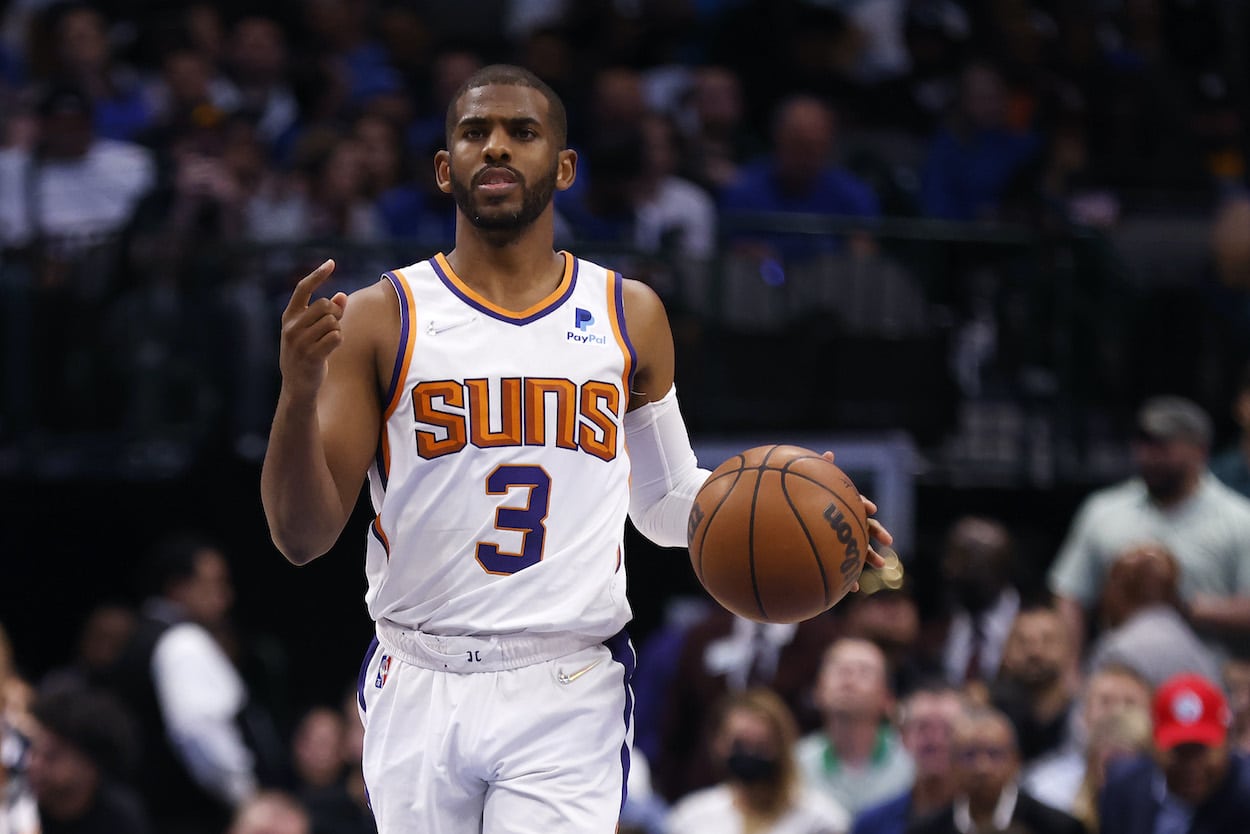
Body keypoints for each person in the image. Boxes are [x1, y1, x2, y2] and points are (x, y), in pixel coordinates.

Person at [259, 63, 891, 834]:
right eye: (474, 133)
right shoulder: (381, 316)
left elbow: (661, 503)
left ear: (562, 167)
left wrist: (819, 519)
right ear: (442, 167)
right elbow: (300, 537)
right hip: (418, 674)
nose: (496, 148)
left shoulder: (628, 313)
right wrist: (294, 394)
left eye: (521, 133)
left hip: (567, 678)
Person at [1047, 396, 1250, 656]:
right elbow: (1070, 595)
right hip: (1116, 672)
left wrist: (1187, 608)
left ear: (1200, 451)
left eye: (1163, 447)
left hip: (1205, 678)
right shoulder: (1103, 510)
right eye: (1143, 444)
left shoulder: (1239, 519)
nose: (1149, 456)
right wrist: (1069, 670)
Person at [101, 532, 259, 834]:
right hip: (192, 819)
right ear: (177, 589)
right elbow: (199, 732)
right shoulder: (182, 642)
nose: (225, 597)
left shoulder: (140, 637)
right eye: (215, 584)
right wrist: (248, 796)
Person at [664, 688, 850, 834]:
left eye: (761, 745)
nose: (750, 753)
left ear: (781, 747)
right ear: (718, 744)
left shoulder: (820, 820)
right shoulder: (690, 818)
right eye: (740, 744)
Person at [1099, 672, 1250, 834]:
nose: (1191, 765)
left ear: (1227, 742)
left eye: (1200, 750)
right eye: (1179, 751)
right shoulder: (1124, 789)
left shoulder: (1245, 797)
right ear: (1153, 744)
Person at [910, 705, 1085, 834]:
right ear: (951, 764)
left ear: (1015, 762)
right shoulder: (926, 830)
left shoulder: (1058, 828)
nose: (982, 768)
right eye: (969, 755)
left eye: (994, 754)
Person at [795, 638, 914, 817]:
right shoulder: (795, 763)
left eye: (864, 672)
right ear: (817, 690)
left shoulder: (911, 763)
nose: (849, 679)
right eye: (840, 670)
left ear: (888, 698)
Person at [26, 686, 152, 834]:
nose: (34, 765)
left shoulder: (120, 819)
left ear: (90, 766)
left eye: (52, 757)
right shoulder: (23, 812)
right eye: (34, 752)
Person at [851, 684, 966, 834]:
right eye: (923, 728)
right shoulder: (872, 824)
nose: (936, 740)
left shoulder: (981, 818)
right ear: (904, 737)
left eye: (948, 730)